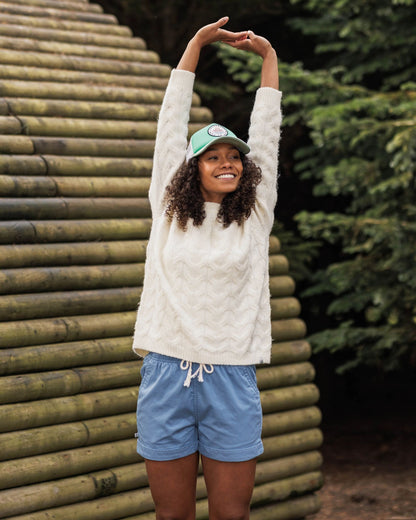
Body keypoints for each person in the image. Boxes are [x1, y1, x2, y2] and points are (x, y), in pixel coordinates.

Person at [132, 16, 281, 520]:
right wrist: (195, 43)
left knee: (231, 516)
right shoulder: (167, 211)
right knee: (172, 516)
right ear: (191, 167)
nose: (226, 162)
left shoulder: (255, 215)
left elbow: (267, 135)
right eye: (212, 156)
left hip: (231, 378)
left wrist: (269, 59)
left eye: (234, 156)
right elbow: (170, 123)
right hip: (165, 373)